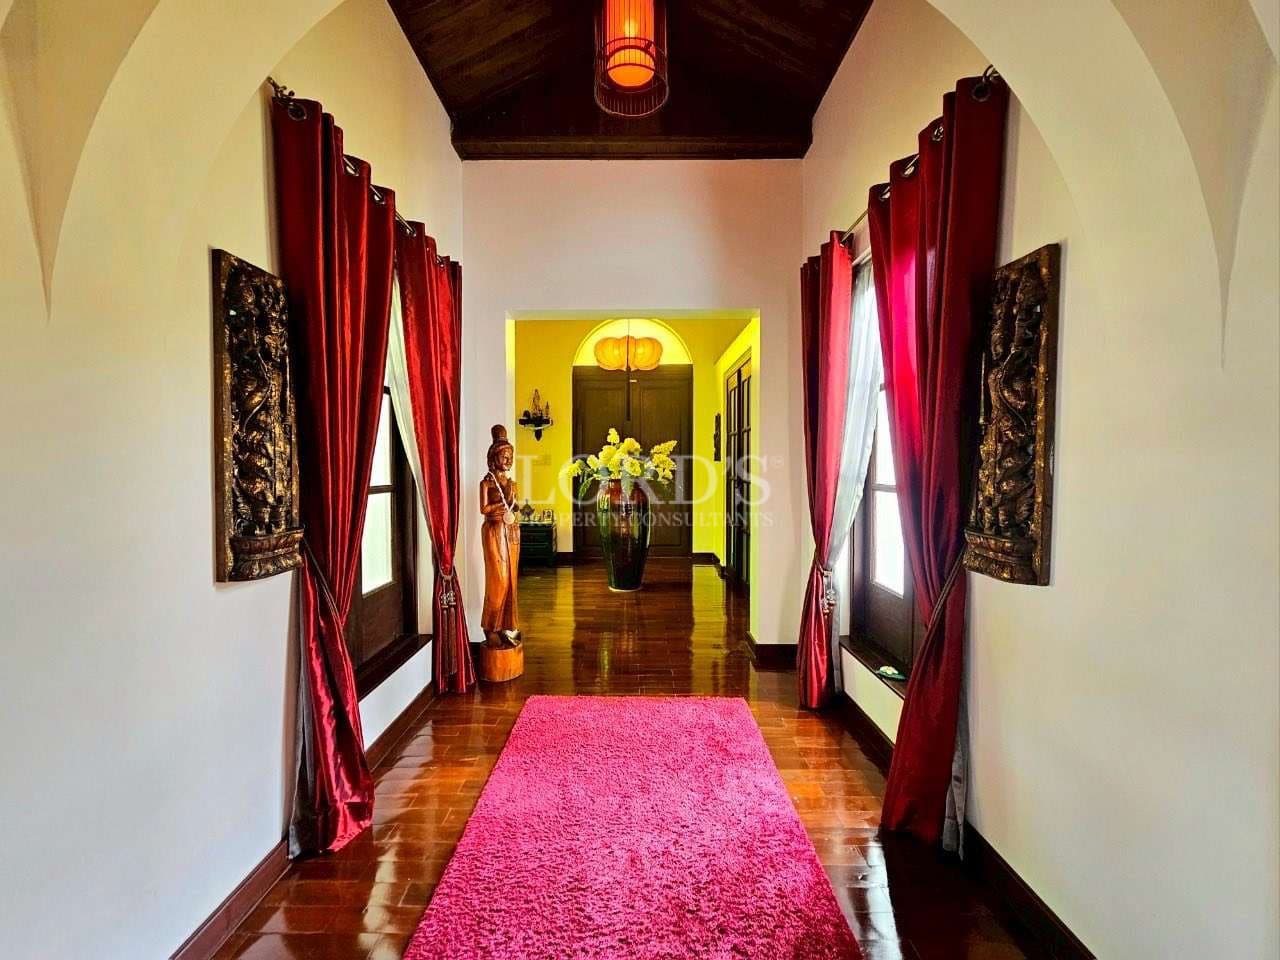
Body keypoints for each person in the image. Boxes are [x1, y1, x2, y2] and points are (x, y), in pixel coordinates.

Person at [480, 424, 520, 646]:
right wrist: (499, 508)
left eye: (510, 456)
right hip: (494, 530)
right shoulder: (486, 483)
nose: (508, 460)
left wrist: (517, 510)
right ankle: (490, 627)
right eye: (504, 456)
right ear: (494, 457)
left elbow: (516, 507)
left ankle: (506, 626)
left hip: (511, 531)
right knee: (498, 581)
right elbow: (484, 509)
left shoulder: (512, 484)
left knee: (511, 581)